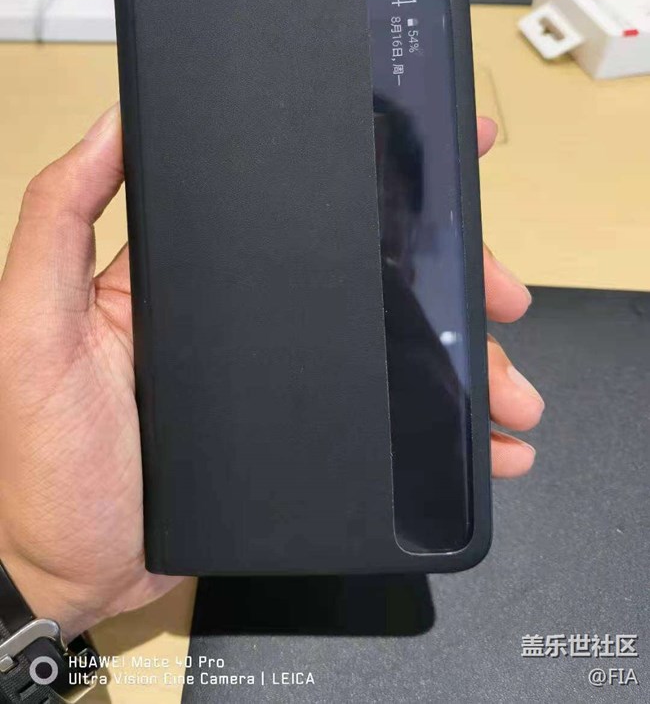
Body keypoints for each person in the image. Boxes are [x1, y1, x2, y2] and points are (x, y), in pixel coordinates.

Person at [0, 106, 543, 643]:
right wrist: (46, 580)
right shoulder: (194, 311)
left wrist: (45, 588)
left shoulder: (409, 336)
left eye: (382, 200)